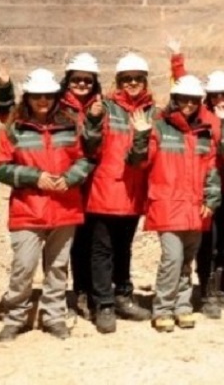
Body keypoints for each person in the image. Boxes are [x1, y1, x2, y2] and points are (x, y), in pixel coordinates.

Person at [0, 52, 101, 319]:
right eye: (37, 95)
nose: (43, 100)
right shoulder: (15, 128)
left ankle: (54, 315)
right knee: (23, 267)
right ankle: (16, 315)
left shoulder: (70, 126)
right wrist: (35, 177)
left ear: (56, 97)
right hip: (28, 210)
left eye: (48, 95)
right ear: (27, 97)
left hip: (64, 209)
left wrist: (70, 178)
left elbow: (87, 158)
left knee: (58, 267)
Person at [132, 75, 224, 332]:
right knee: (172, 259)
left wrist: (212, 199)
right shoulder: (160, 128)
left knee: (187, 260)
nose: (188, 104)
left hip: (196, 208)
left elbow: (212, 170)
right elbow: (139, 162)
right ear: (174, 100)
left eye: (193, 100)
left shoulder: (203, 133)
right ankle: (163, 308)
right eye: (183, 99)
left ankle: (182, 306)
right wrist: (141, 136)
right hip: (167, 205)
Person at [80, 53, 157, 334]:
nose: (133, 83)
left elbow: (145, 157)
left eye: (138, 78)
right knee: (102, 250)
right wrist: (91, 119)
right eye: (127, 79)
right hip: (105, 190)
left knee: (124, 248)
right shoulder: (105, 108)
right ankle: (104, 304)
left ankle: (123, 295)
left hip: (134, 192)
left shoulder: (152, 111)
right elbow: (89, 146)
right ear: (119, 81)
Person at [196, 69, 224, 318]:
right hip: (206, 189)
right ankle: (207, 292)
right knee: (208, 243)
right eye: (215, 95)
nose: (220, 99)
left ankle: (220, 287)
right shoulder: (203, 118)